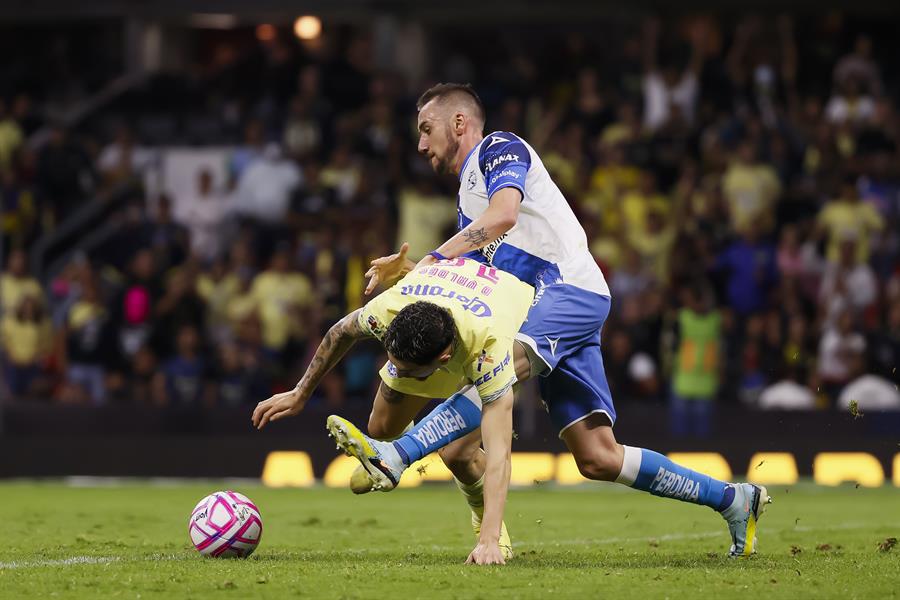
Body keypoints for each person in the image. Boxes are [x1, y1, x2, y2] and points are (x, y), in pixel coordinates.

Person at [347, 83, 771, 564]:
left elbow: (505, 216)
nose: (421, 144)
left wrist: (434, 256)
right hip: (536, 310)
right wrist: (414, 270)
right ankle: (735, 500)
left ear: (459, 123)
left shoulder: (499, 148)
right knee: (597, 457)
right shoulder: (467, 202)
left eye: (426, 130)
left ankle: (398, 455)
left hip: (569, 292)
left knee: (499, 370)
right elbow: (484, 262)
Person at [252, 256, 536, 563]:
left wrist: (488, 540)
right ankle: (395, 452)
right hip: (455, 301)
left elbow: (500, 455)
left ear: (442, 360)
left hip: (521, 324)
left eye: (406, 371)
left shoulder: (490, 346)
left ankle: (482, 523)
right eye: (393, 364)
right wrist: (301, 392)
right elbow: (340, 331)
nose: (396, 375)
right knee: (381, 429)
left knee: (457, 453)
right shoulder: (388, 309)